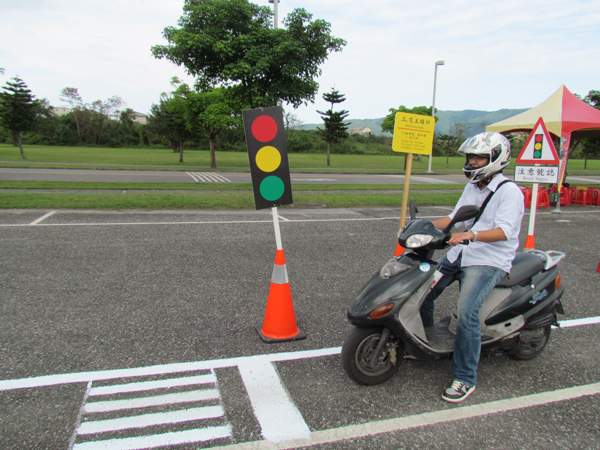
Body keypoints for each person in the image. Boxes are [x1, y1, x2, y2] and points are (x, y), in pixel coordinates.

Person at [420, 132, 524, 403]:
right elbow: (456, 219)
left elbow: (504, 231)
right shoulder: (473, 188)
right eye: (471, 157)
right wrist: (424, 227)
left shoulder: (509, 192)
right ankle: (424, 344)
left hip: (489, 259)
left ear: (496, 160)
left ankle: (466, 378)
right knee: (420, 291)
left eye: (480, 158)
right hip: (461, 253)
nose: (473, 162)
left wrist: (472, 235)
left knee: (467, 312)